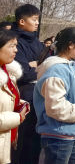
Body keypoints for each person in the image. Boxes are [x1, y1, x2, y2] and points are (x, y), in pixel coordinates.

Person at [33, 27, 75, 164]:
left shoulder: (71, 66)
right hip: (58, 134)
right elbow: (56, 106)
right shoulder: (56, 70)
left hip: (71, 131)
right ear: (70, 44)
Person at [13, 3, 44, 164]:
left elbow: (46, 65)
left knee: (35, 141)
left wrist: (36, 65)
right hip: (23, 95)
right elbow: (22, 72)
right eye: (34, 19)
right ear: (22, 21)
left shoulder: (37, 42)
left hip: (39, 93)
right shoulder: (15, 41)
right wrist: (38, 67)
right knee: (22, 141)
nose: (37, 23)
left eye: (38, 19)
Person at [0, 29, 26, 164]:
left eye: (16, 46)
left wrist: (21, 104)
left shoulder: (8, 73)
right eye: (11, 46)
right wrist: (17, 117)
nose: (16, 50)